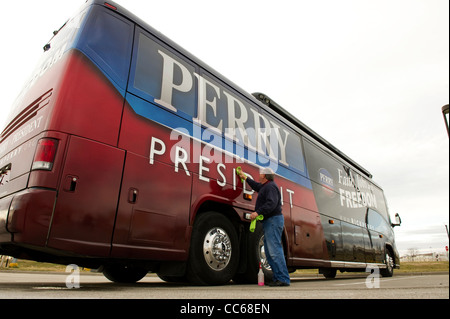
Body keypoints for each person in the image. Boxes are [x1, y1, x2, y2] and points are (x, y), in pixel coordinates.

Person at [238, 167, 290, 287]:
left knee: (274, 250)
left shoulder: (271, 187)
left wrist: (257, 212)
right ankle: (278, 277)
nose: (259, 174)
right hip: (269, 221)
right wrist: (245, 177)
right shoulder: (265, 186)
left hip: (273, 220)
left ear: (265, 176)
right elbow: (256, 186)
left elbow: (271, 203)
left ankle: (283, 278)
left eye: (261, 173)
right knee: (269, 250)